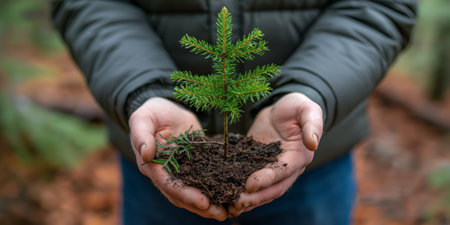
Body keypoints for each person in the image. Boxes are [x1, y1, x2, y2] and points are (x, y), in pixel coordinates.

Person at [51, 1, 416, 224]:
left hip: (315, 160)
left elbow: (379, 5)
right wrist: (144, 90)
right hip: (166, 155)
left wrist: (313, 88)